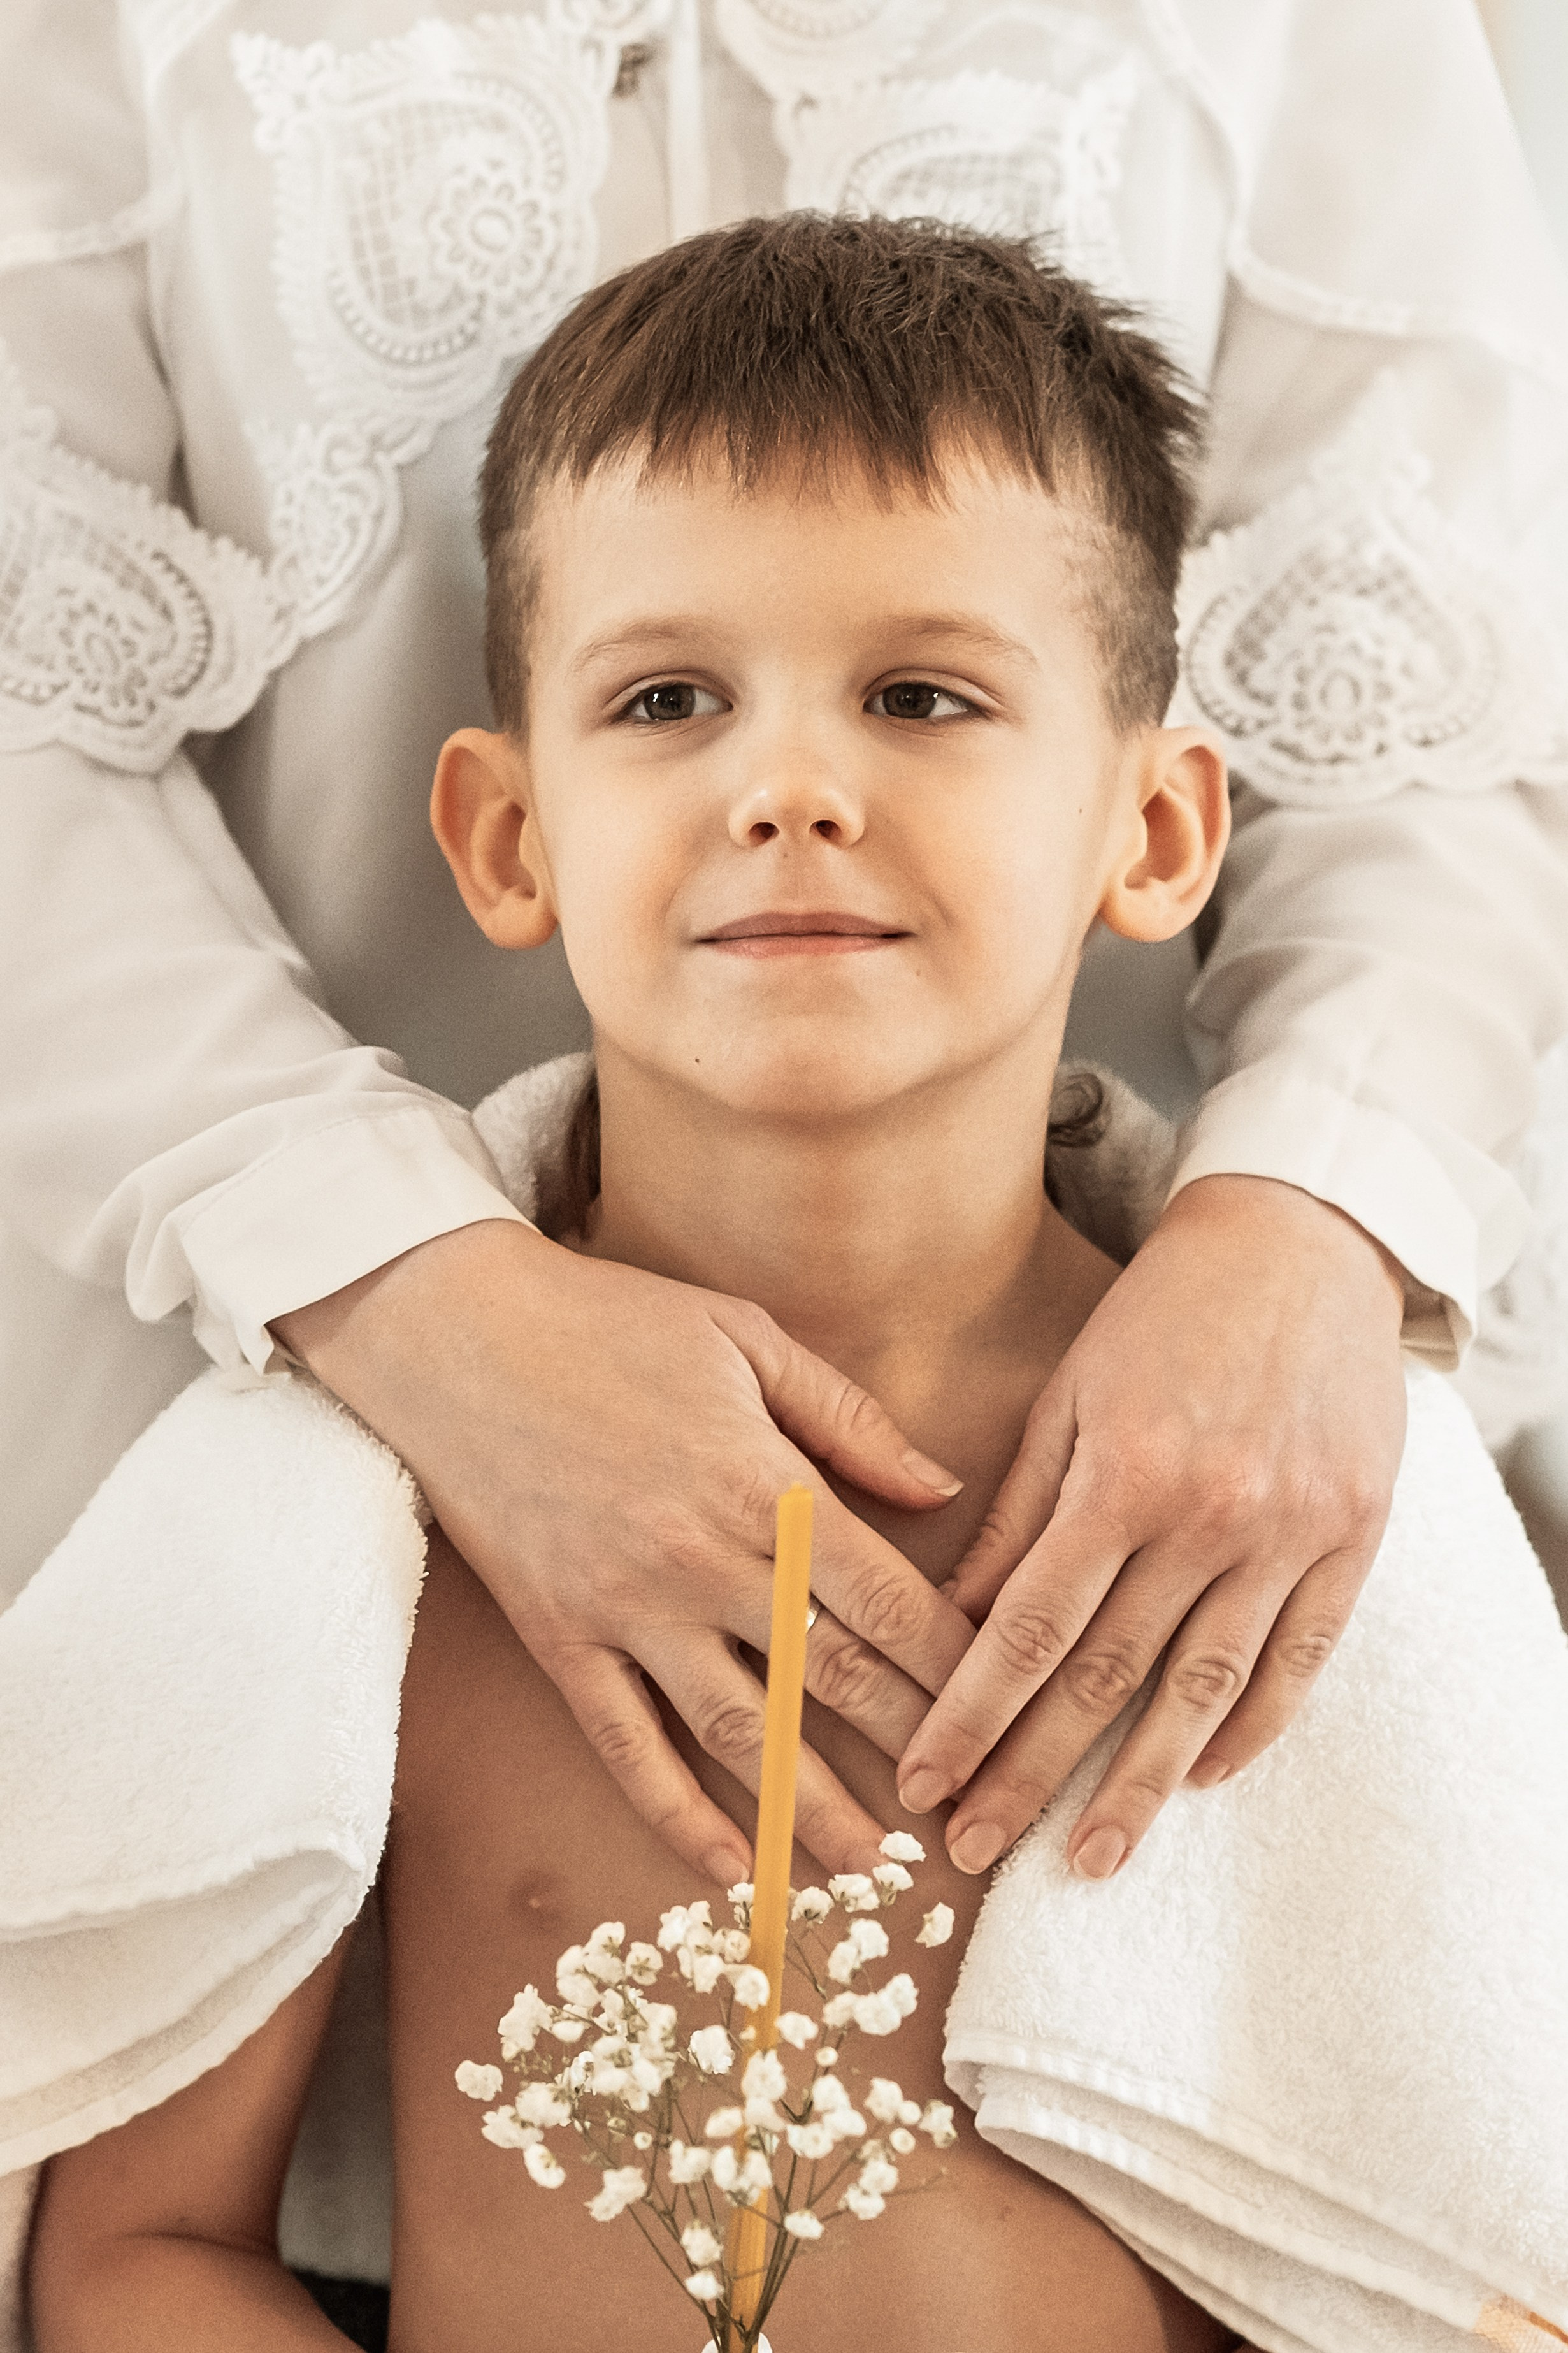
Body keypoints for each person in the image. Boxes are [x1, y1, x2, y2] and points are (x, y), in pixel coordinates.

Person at [27, 213, 1568, 2353]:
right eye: (667, 699)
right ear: (504, 837)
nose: (789, 789)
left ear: (1154, 827)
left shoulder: (1285, 1519)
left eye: (923, 694)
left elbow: (1465, 2241)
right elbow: (131, 2255)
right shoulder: (355, 1525)